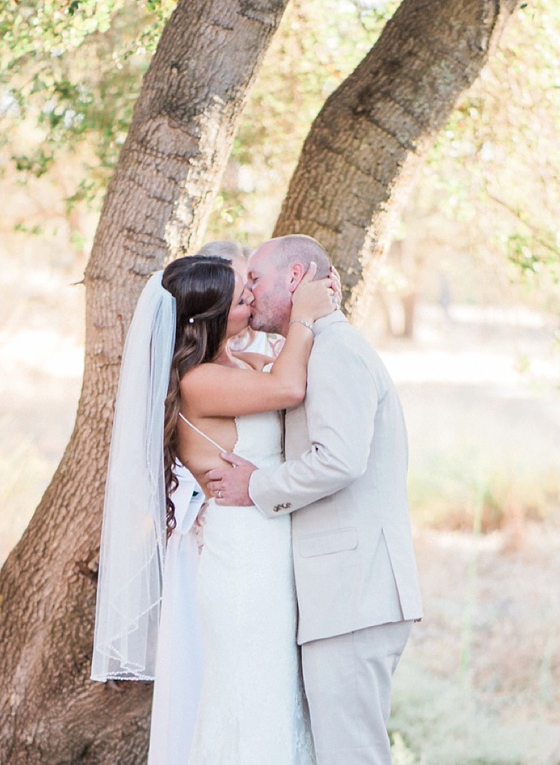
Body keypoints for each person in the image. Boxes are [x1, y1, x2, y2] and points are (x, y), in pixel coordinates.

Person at [91, 253, 336, 764]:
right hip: (243, 558)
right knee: (252, 701)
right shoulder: (198, 381)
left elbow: (304, 377)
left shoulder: (237, 364)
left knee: (273, 695)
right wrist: (306, 315)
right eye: (240, 296)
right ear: (210, 316)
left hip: (267, 549)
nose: (250, 295)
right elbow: (289, 386)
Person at [206, 234, 423, 765]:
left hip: (354, 593)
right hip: (344, 594)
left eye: (255, 280)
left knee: (352, 756)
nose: (249, 293)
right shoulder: (314, 347)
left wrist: (256, 485)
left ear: (296, 278)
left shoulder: (336, 351)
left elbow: (340, 459)